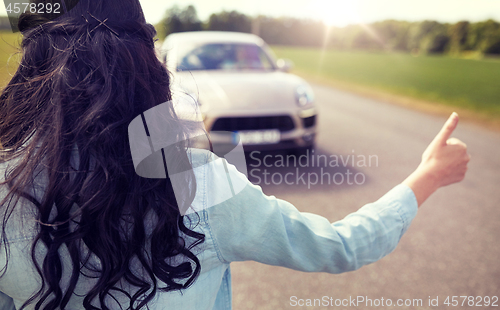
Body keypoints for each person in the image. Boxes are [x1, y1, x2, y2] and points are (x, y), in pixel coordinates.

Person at [0, 1, 470, 309]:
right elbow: (339, 246)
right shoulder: (198, 183)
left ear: (31, 69)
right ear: (146, 71)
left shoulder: (5, 178)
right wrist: (428, 175)